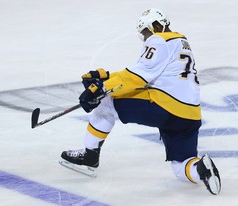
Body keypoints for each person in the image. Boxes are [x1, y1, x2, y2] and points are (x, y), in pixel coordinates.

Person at [60, 8, 221, 195]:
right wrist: (107, 77)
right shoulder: (181, 43)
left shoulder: (159, 40)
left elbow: (137, 78)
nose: (145, 37)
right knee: (181, 166)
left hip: (164, 107)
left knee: (105, 102)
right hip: (189, 115)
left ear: (155, 26)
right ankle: (201, 169)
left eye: (145, 31)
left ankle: (89, 155)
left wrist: (101, 89)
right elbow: (143, 74)